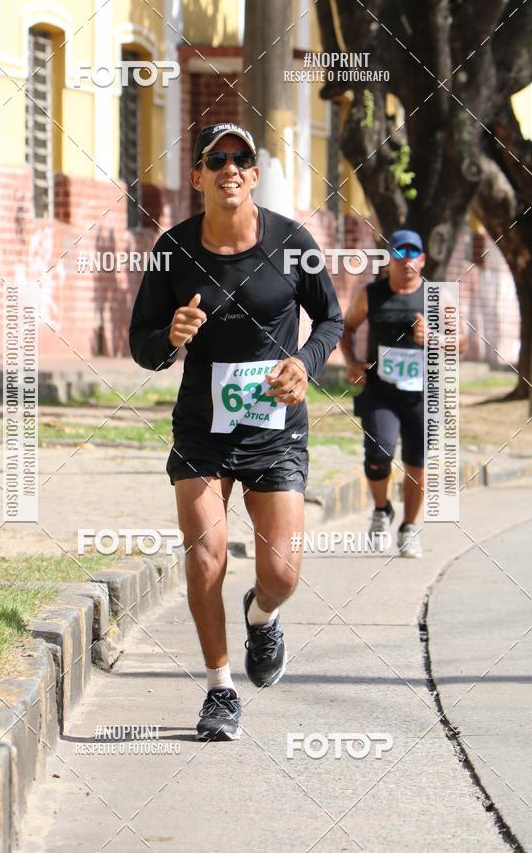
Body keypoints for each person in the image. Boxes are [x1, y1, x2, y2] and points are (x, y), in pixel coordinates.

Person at [129, 122, 343, 740]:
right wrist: (168, 338)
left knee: (282, 574)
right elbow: (141, 345)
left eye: (241, 159)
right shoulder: (172, 250)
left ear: (253, 174)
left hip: (275, 428)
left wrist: (304, 362)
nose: (229, 168)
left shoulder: (292, 242)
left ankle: (261, 615)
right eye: (215, 159)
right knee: (206, 557)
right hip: (202, 428)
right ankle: (219, 690)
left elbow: (329, 318)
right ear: (197, 175)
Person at [340, 229, 464, 558]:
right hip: (381, 392)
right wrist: (352, 362)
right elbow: (347, 326)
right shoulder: (372, 294)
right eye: (400, 253)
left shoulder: (437, 298)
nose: (406, 260)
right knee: (378, 455)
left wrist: (434, 340)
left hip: (422, 396)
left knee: (417, 463)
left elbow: (461, 341)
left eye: (413, 254)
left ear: (422, 260)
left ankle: (409, 528)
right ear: (389, 259)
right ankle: (382, 510)